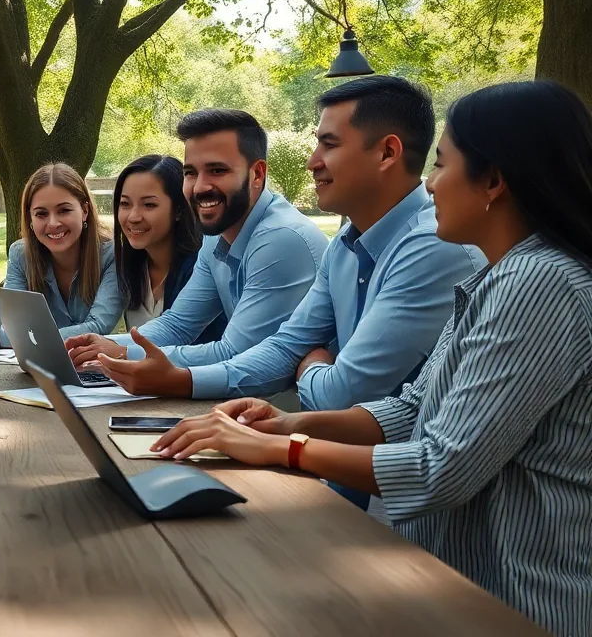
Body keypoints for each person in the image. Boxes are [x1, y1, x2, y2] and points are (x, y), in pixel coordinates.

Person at [151, 81, 592, 636]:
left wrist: (284, 448)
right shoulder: (497, 275)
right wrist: (291, 420)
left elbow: (438, 470)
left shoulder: (539, 281)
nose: (429, 184)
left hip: (511, 604)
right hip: (445, 584)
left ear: (495, 181)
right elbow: (411, 408)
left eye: (441, 164)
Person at [66, 110, 326, 372]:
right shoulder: (216, 238)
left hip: (297, 406)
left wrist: (124, 353)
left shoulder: (281, 239)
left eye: (217, 170)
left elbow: (235, 353)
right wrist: (101, 346)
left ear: (257, 174)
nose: (200, 187)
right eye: (190, 173)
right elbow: (178, 324)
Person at [3, 163, 122, 342]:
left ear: (84, 210)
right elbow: (11, 326)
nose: (53, 223)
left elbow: (99, 326)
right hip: (35, 366)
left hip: (93, 366)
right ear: (30, 218)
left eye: (64, 210)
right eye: (41, 214)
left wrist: (32, 340)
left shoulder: (111, 254)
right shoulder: (20, 254)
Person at [111, 155, 224, 340]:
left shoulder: (203, 270)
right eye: (125, 203)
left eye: (149, 205)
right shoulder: (129, 265)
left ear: (179, 210)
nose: (133, 216)